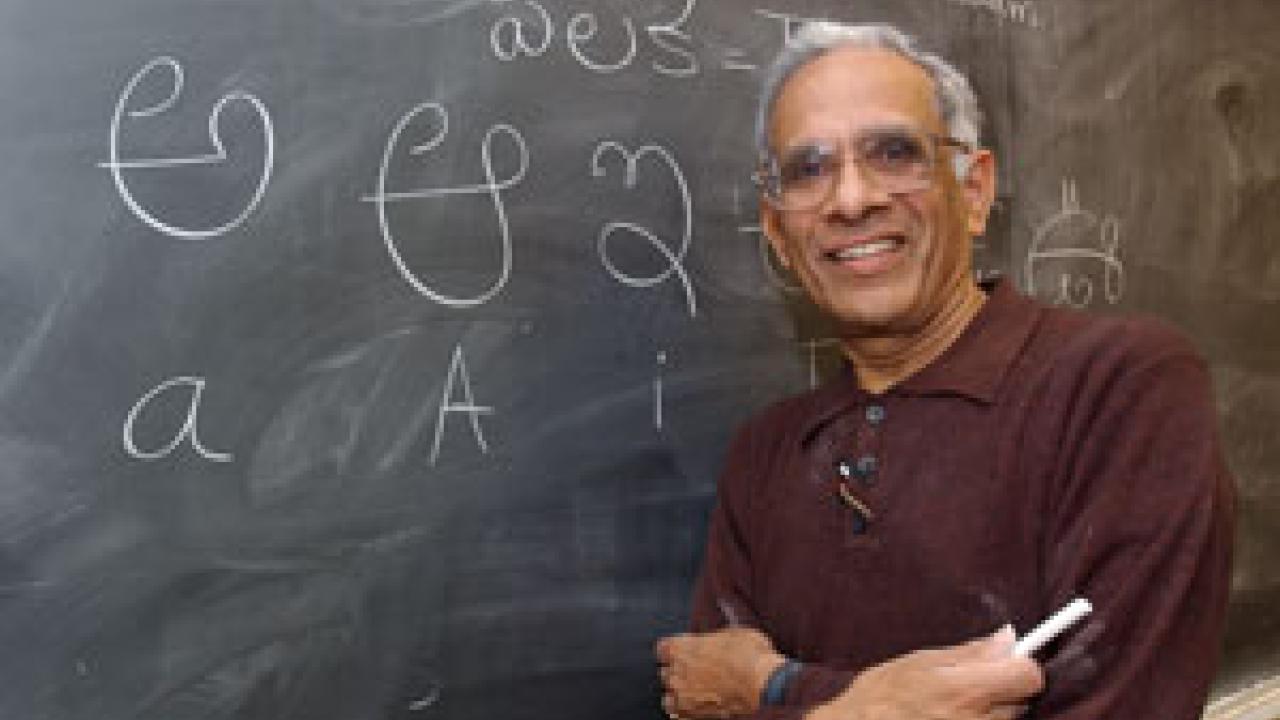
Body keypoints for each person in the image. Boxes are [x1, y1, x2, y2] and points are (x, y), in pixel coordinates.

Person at [654, 21, 1235, 720]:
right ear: (777, 231)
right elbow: (706, 698)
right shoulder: (764, 455)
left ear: (975, 190)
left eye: (895, 153)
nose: (851, 200)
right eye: (809, 169)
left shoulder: (1119, 387)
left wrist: (776, 690)